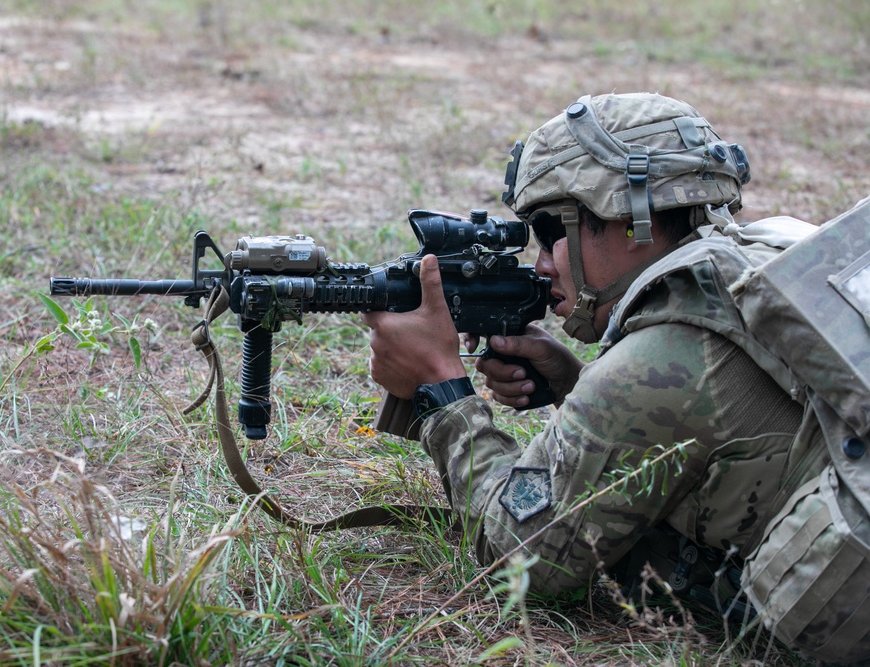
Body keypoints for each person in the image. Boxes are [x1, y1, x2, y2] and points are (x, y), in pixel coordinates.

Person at [361, 93, 846, 656]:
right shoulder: (766, 260)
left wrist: (441, 389)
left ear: (630, 220)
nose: (541, 261)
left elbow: (522, 560)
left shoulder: (668, 355)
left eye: (550, 230)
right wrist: (579, 383)